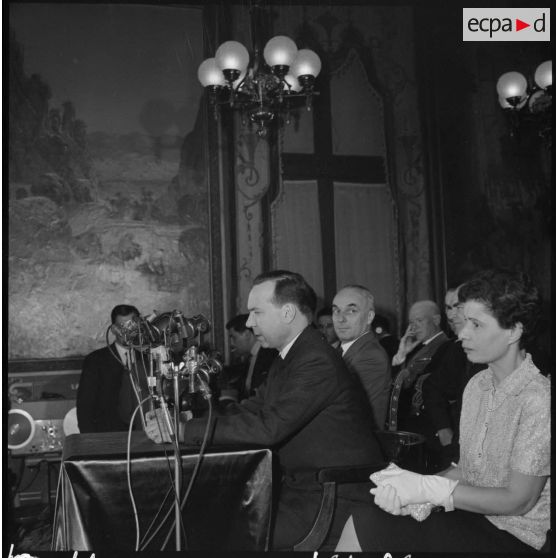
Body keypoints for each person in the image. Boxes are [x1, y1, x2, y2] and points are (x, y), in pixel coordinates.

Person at [145, 270, 385, 550]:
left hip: (330, 498)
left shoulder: (316, 360)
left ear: (287, 313)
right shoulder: (293, 354)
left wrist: (182, 431)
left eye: (257, 312)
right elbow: (251, 408)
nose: (249, 322)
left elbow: (267, 428)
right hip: (301, 489)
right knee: (208, 517)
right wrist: (190, 419)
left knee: (218, 533)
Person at [336, 269, 550, 553]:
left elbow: (519, 501)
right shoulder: (477, 385)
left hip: (517, 537)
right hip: (473, 518)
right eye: (465, 322)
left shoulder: (538, 398)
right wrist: (415, 492)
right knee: (365, 516)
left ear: (514, 331)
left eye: (476, 324)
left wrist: (431, 491)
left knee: (369, 526)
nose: (462, 334)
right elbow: (466, 471)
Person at [421, 285, 484, 470]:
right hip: (457, 450)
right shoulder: (455, 349)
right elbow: (431, 386)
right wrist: (443, 428)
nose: (450, 315)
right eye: (448, 308)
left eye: (458, 306)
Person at [77, 304, 150, 433]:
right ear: (114, 329)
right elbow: (85, 407)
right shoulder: (95, 360)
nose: (127, 332)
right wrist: (89, 440)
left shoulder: (148, 358)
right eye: (122, 327)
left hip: (144, 433)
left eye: (131, 326)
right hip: (108, 434)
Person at [332, 285, 391, 430]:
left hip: (352, 438)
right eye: (336, 311)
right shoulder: (340, 350)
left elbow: (344, 411)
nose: (340, 319)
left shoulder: (370, 356)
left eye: (351, 311)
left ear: (369, 317)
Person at [387, 300, 450, 432]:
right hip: (408, 423)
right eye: (411, 322)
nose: (414, 327)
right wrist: (401, 354)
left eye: (419, 320)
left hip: (427, 424)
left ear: (436, 320)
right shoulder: (416, 348)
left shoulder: (445, 347)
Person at [218, 313, 277, 405]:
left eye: (233, 337)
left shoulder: (269, 356)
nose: (231, 344)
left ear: (247, 334)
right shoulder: (251, 357)